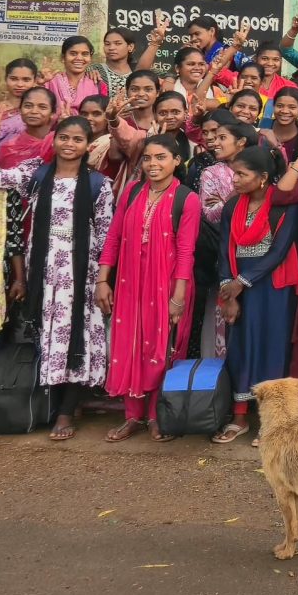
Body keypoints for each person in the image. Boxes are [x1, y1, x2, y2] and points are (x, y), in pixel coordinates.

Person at [0, 116, 112, 441]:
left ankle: (66, 412)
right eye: (64, 137)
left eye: (77, 139)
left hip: (82, 276)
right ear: (54, 139)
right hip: (44, 275)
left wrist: (103, 280)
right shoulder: (36, 174)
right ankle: (47, 405)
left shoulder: (98, 184)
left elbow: (107, 238)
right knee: (49, 339)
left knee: (78, 339)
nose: (69, 144)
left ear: (87, 145)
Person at [98, 132, 201, 442]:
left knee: (161, 348)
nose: (153, 164)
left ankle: (157, 416)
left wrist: (178, 297)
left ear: (177, 161)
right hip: (130, 283)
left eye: (161, 157)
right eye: (147, 158)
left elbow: (186, 251)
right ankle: (132, 416)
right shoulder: (132, 192)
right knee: (128, 345)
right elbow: (113, 237)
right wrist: (103, 280)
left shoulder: (187, 199)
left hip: (167, 285)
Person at [211, 145, 298, 444]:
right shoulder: (232, 207)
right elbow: (224, 250)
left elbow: (278, 252)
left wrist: (242, 282)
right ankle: (239, 417)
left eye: (241, 174)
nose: (235, 179)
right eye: (234, 173)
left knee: (273, 348)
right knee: (240, 346)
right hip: (237, 288)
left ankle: (273, 423)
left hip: (273, 288)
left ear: (262, 177)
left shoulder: (284, 207)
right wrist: (229, 293)